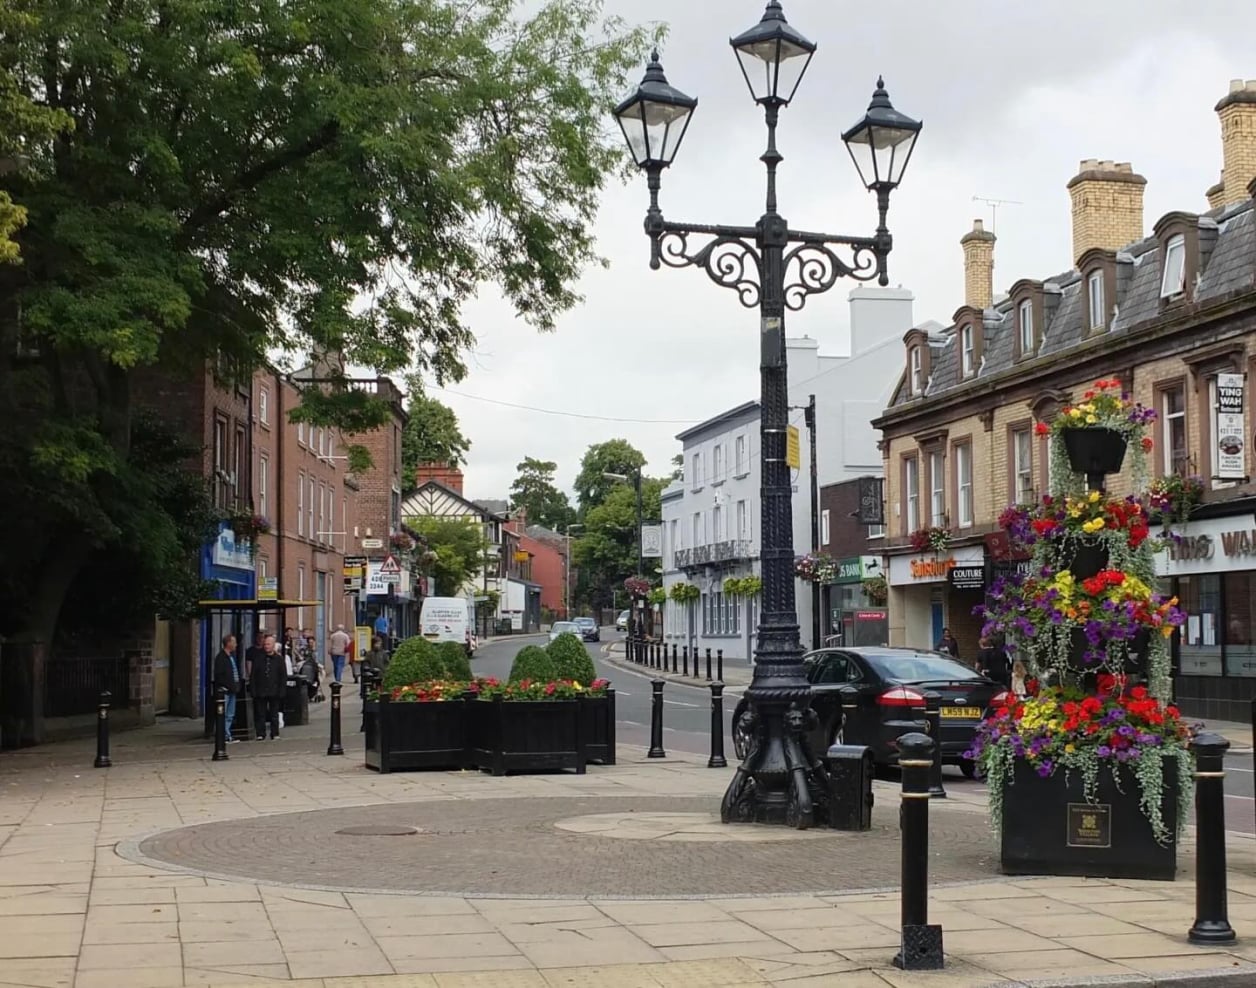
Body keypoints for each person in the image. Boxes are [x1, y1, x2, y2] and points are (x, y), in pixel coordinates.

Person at [251, 633, 286, 740]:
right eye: (265, 644)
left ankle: (275, 733)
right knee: (260, 714)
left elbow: (283, 676)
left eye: (269, 644)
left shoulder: (279, 659)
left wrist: (282, 691)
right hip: (260, 690)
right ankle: (260, 734)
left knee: (274, 714)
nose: (266, 646)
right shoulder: (258, 658)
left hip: (274, 690)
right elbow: (253, 675)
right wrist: (253, 690)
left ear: (273, 645)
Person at [211, 634, 242, 743]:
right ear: (228, 643)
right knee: (223, 715)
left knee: (230, 714)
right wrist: (228, 686)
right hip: (225, 691)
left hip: (232, 690)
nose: (236, 645)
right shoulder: (221, 658)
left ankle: (227, 734)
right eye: (234, 642)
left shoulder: (231, 657)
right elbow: (220, 675)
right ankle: (223, 736)